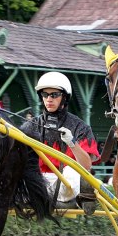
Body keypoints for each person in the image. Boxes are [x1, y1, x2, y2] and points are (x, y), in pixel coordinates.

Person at [20, 71, 99, 203]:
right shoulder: (29, 126)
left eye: (54, 95)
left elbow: (86, 166)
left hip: (66, 185)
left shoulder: (81, 127)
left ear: (65, 97)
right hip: (36, 183)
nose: (49, 99)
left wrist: (72, 142)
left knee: (72, 170)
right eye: (45, 94)